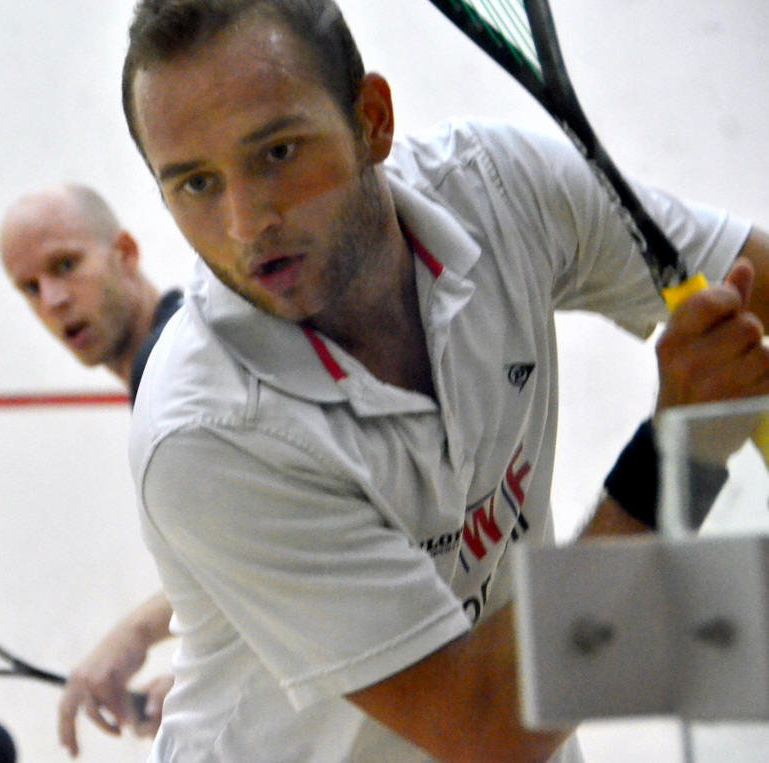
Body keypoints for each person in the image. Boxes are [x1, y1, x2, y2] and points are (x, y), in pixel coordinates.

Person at [118, 1, 769, 761]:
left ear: (372, 120)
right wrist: (679, 458)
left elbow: (755, 278)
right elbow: (488, 729)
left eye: (278, 152)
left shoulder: (500, 191)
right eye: (196, 183)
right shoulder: (206, 433)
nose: (245, 222)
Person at [0, 183, 179, 757]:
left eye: (65, 266)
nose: (53, 300)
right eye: (30, 288)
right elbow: (240, 564)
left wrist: (136, 635)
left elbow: (288, 545)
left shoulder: (180, 369)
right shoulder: (165, 370)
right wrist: (200, 672)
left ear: (125, 252)